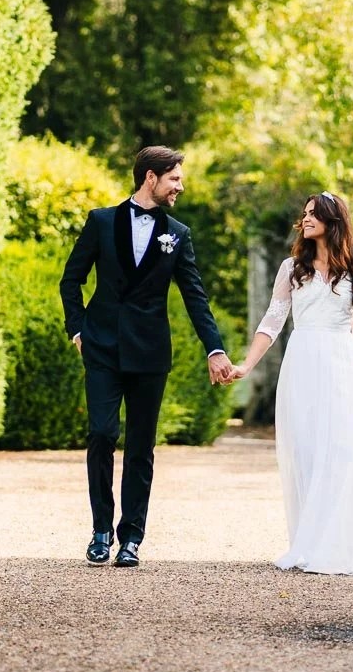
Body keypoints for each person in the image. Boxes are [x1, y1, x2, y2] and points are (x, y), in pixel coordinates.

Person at [59, 146, 233, 568]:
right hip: (101, 348)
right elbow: (71, 280)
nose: (181, 186)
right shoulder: (100, 222)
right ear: (150, 178)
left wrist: (215, 348)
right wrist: (78, 329)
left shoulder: (179, 233)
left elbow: (195, 296)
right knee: (101, 434)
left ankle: (131, 537)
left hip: (150, 354)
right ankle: (101, 529)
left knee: (141, 446)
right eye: (174, 178)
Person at [231, 192, 353, 576]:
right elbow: (272, 320)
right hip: (303, 363)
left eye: (314, 214)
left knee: (342, 452)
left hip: (344, 364)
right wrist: (247, 365)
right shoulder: (292, 268)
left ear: (334, 221)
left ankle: (336, 545)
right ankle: (307, 543)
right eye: (306, 213)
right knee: (307, 451)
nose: (306, 218)